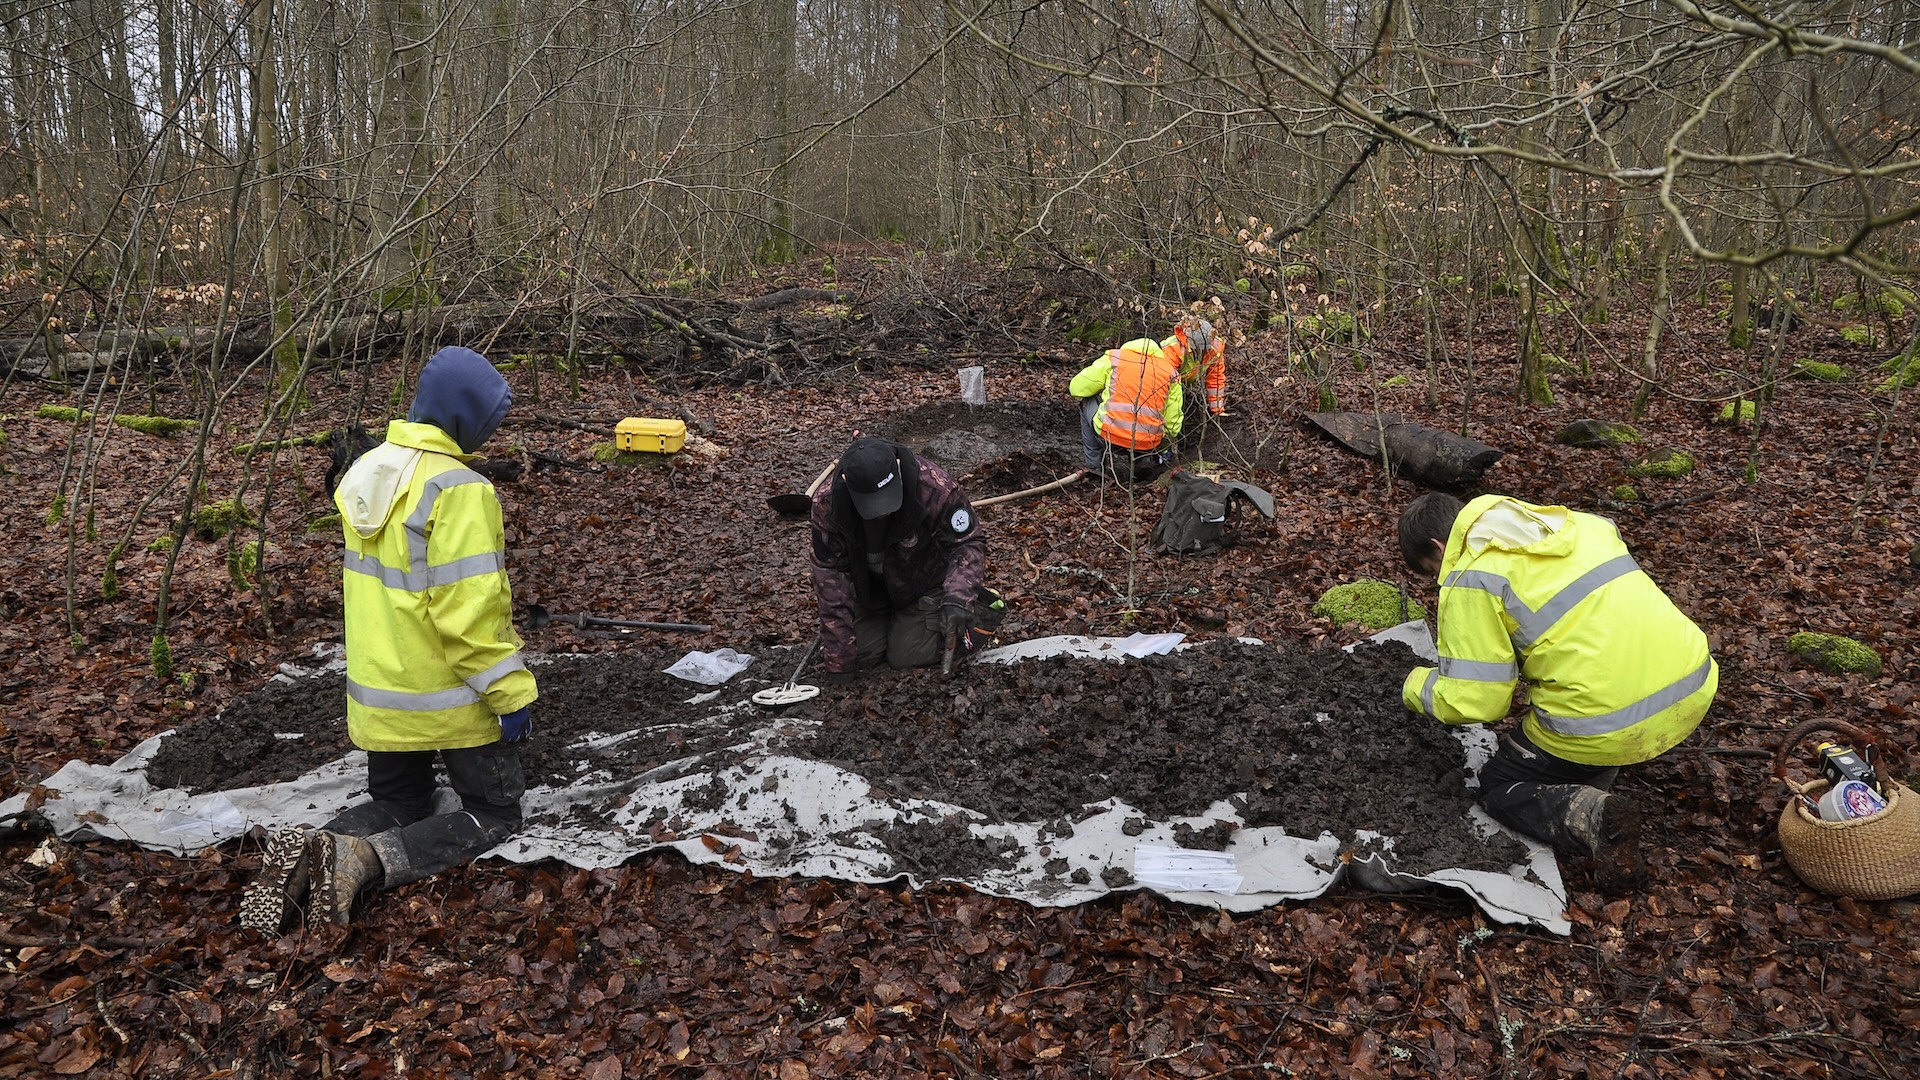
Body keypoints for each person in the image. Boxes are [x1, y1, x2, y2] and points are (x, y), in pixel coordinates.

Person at [241, 346, 538, 933]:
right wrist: (508, 693)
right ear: (465, 416)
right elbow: (468, 616)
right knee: (494, 812)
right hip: (451, 699)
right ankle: (368, 858)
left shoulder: (367, 470)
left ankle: (312, 849)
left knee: (401, 801)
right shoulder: (459, 490)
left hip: (380, 697)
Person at [1396, 492, 1717, 884]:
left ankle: (1591, 815)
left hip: (1607, 720)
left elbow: (1477, 700)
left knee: (1498, 784)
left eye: (1432, 571)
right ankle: (1599, 762)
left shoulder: (1472, 577)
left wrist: (1413, 685)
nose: (1437, 582)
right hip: (1694, 682)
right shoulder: (1579, 524)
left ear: (1439, 547)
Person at [810, 436, 1002, 681]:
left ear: (898, 471)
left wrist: (958, 598)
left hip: (924, 585)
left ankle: (975, 612)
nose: (881, 514)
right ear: (848, 486)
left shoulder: (935, 488)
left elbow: (968, 543)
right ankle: (895, 626)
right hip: (872, 591)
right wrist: (839, 667)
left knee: (905, 655)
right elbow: (829, 578)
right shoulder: (828, 505)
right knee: (857, 654)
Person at [1070, 336, 1183, 481]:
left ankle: (1095, 466)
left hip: (1108, 436)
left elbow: (1076, 389)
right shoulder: (1171, 372)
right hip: (1147, 444)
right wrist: (1160, 447)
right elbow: (1172, 424)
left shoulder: (1114, 358)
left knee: (1087, 400)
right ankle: (1143, 460)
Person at [1159, 317, 1227, 430]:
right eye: (1198, 349)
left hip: (1186, 380)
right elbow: (1165, 384)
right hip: (1171, 382)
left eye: (1205, 349)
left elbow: (1215, 379)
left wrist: (1217, 411)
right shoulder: (1172, 350)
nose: (1202, 353)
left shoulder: (1216, 348)